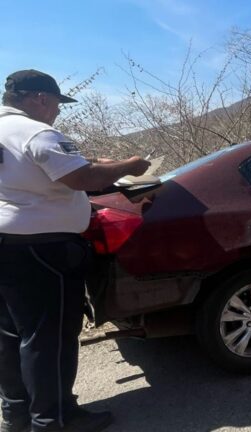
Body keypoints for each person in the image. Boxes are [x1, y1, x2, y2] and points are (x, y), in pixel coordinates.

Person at [0, 69, 150, 432]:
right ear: (40, 99)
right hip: (42, 251)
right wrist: (131, 165)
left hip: (7, 246)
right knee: (48, 340)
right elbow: (84, 179)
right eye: (56, 104)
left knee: (11, 335)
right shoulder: (35, 131)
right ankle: (54, 421)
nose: (57, 112)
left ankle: (16, 415)